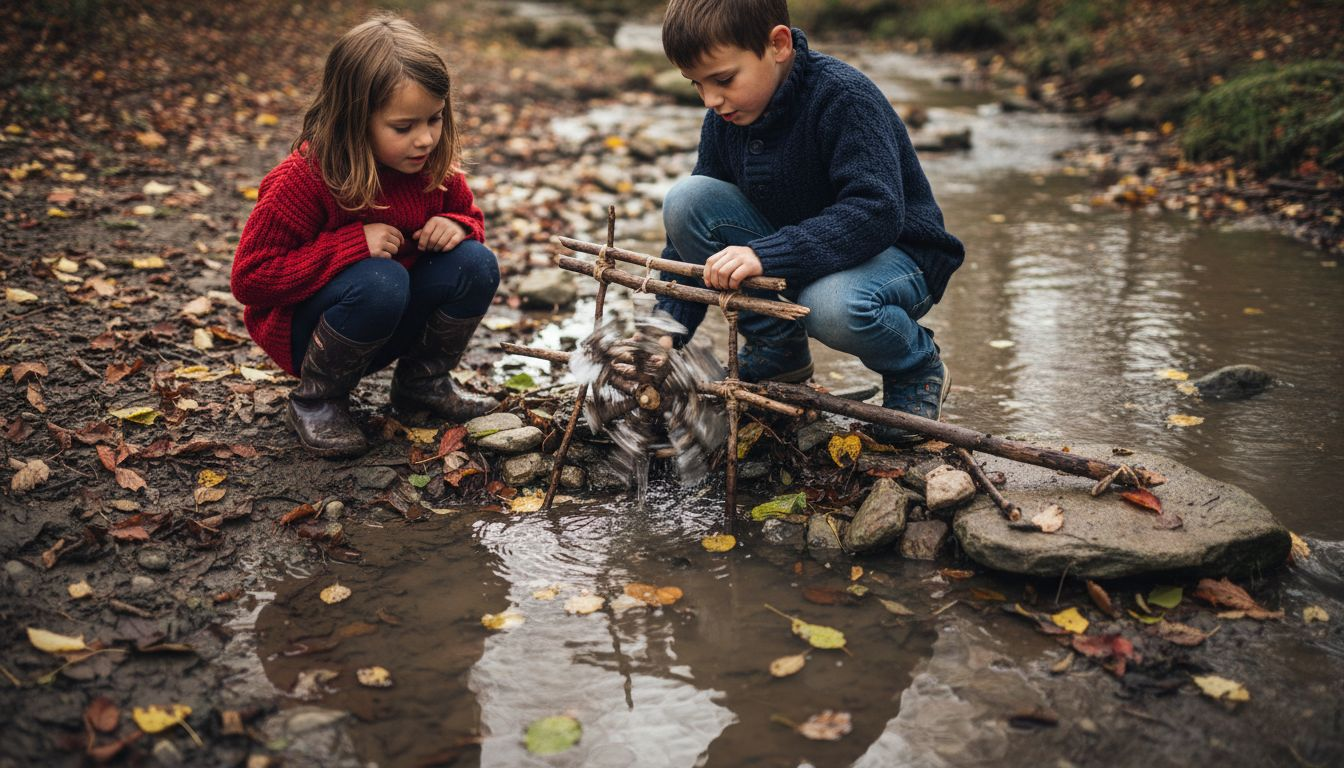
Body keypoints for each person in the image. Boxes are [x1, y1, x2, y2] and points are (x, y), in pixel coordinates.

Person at [654, 0, 965, 445]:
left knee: (831, 306)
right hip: (804, 253)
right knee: (688, 199)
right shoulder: (724, 118)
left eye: (723, 79)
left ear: (778, 45)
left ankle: (915, 364)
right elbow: (685, 238)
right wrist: (664, 331)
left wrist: (765, 253)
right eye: (696, 85)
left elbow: (876, 211)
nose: (711, 99)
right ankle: (778, 348)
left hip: (898, 253)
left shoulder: (843, 97)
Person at [231, 13, 499, 457]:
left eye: (434, 119)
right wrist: (352, 245)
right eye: (403, 127)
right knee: (381, 277)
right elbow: (250, 278)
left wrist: (457, 226)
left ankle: (421, 385)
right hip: (310, 335)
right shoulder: (305, 179)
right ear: (355, 118)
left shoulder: (432, 171)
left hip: (386, 323)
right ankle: (317, 400)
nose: (426, 139)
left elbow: (472, 221)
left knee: (475, 262)